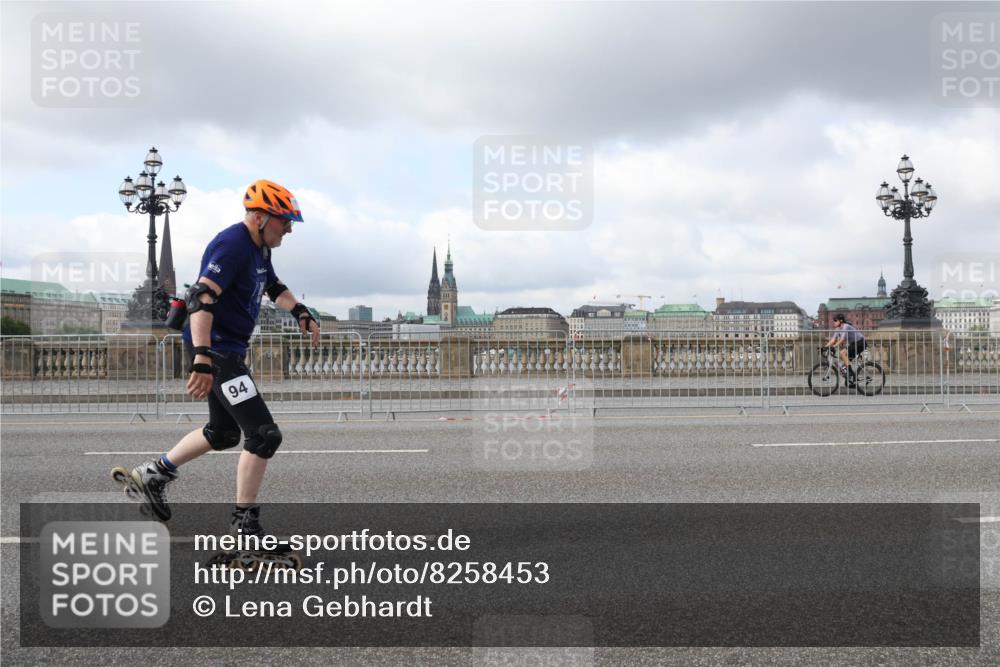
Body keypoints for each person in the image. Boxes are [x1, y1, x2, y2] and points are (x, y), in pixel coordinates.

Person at [115, 179, 319, 543]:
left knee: (223, 433)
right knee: (264, 435)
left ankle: (152, 475)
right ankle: (245, 528)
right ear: (260, 217)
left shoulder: (259, 250)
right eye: (284, 221)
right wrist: (203, 360)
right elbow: (202, 299)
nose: (288, 229)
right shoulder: (233, 244)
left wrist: (300, 310)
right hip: (218, 351)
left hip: (227, 351)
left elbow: (273, 287)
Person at [825, 313, 866, 385]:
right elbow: (833, 340)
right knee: (844, 362)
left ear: (841, 321)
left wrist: (834, 346)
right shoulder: (838, 329)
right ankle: (851, 381)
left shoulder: (846, 326)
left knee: (842, 353)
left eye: (835, 320)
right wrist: (825, 347)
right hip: (854, 344)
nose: (834, 322)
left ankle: (852, 375)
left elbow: (842, 339)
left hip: (861, 343)